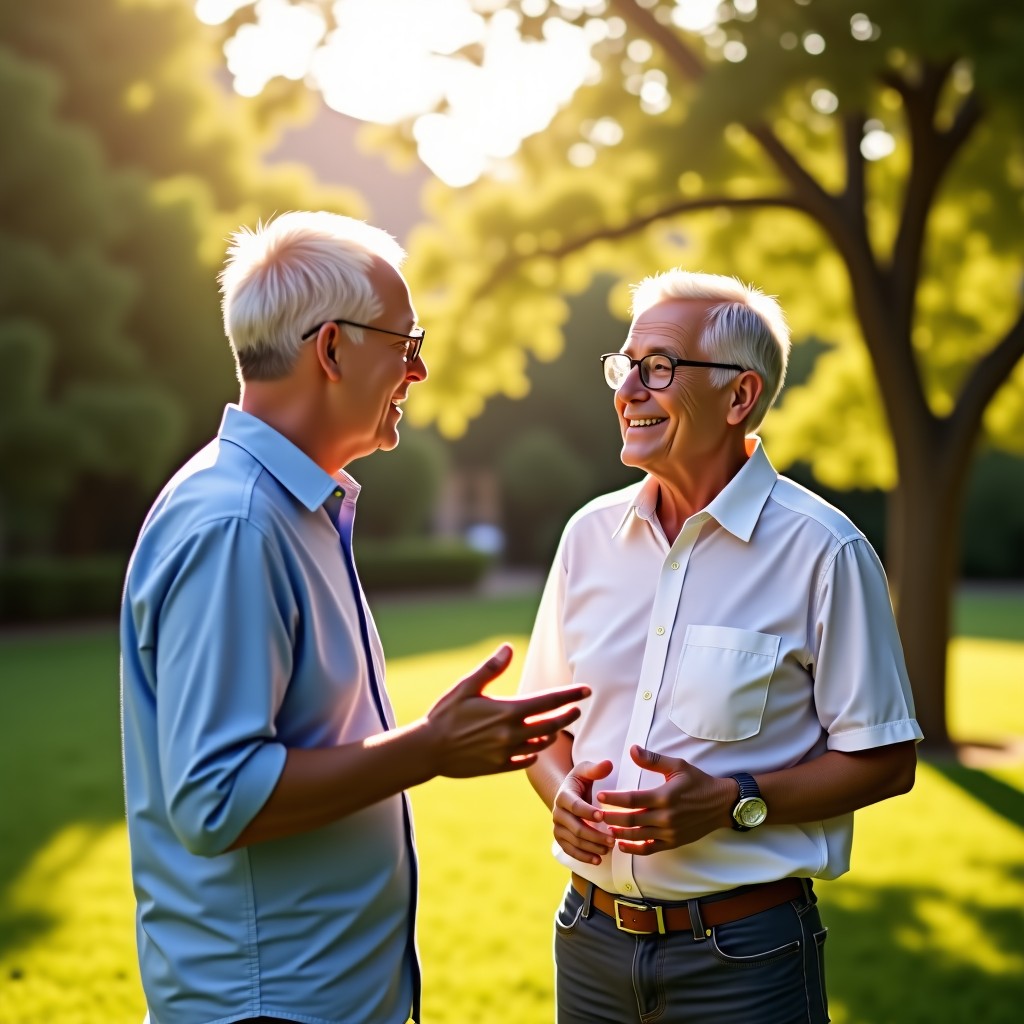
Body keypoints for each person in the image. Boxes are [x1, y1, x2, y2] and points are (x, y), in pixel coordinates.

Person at [119, 211, 590, 1024]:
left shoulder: (293, 509)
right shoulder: (237, 525)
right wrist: (430, 749)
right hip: (267, 1006)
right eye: (406, 345)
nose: (421, 371)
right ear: (332, 349)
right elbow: (217, 798)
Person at [518, 269, 922, 1024]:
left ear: (739, 397)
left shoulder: (825, 552)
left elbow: (886, 759)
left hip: (746, 960)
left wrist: (737, 802)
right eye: (625, 365)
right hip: (587, 940)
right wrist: (559, 791)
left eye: (659, 367)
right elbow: (547, 730)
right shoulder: (587, 538)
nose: (630, 389)